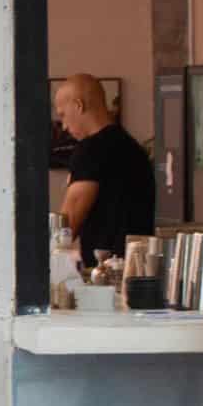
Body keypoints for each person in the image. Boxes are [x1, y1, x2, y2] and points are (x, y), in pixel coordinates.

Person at [55, 75, 155, 274]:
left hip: (104, 274)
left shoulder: (89, 151)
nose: (64, 126)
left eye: (63, 115)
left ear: (78, 105)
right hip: (139, 270)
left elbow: (67, 226)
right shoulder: (133, 148)